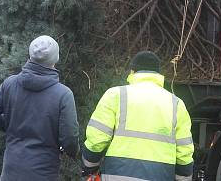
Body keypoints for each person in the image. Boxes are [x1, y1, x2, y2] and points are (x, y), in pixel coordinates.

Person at [81, 51, 194, 181]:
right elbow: (184, 152)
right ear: (159, 74)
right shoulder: (177, 104)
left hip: (116, 175)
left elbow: (97, 139)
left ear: (132, 72)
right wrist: (183, 178)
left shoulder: (115, 95)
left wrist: (89, 167)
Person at [0, 35, 79, 181]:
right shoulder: (63, 94)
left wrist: (12, 127)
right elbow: (69, 138)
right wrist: (72, 152)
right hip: (43, 172)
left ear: (30, 54)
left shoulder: (10, 84)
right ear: (55, 59)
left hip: (10, 171)